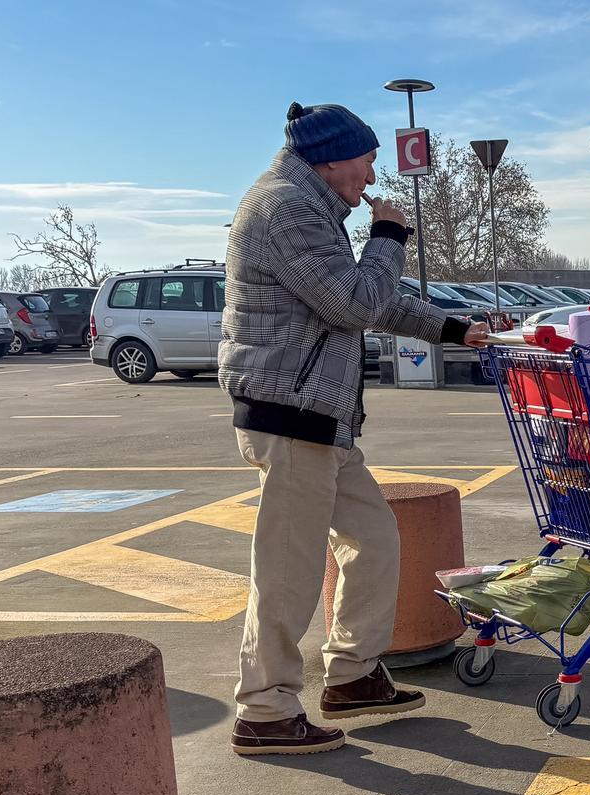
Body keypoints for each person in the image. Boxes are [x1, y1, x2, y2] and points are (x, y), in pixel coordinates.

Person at [220, 102, 488, 756]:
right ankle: (264, 708)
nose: (372, 175)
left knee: (374, 537)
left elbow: (376, 299)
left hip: (322, 416)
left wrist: (453, 328)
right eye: (367, 159)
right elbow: (357, 301)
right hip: (293, 414)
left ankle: (353, 673)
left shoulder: (311, 209)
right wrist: (389, 237)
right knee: (287, 569)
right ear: (333, 157)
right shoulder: (286, 208)